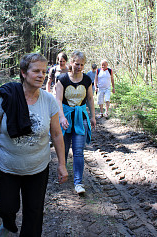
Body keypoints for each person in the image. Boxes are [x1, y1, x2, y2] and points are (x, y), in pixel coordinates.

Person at [0, 53, 68, 237]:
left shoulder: (48, 100)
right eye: (36, 71)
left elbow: (56, 134)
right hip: (7, 166)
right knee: (7, 207)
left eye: (44, 72)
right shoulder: (6, 97)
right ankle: (7, 224)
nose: (41, 75)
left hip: (37, 168)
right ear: (23, 73)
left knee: (34, 213)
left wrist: (62, 165)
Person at [55, 51, 96, 194]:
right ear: (71, 63)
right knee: (64, 150)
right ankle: (62, 173)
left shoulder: (86, 80)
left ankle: (78, 183)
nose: (79, 67)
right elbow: (58, 100)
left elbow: (90, 98)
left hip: (81, 118)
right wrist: (61, 117)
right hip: (65, 118)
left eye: (82, 65)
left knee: (78, 152)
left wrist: (93, 116)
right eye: (77, 64)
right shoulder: (62, 79)